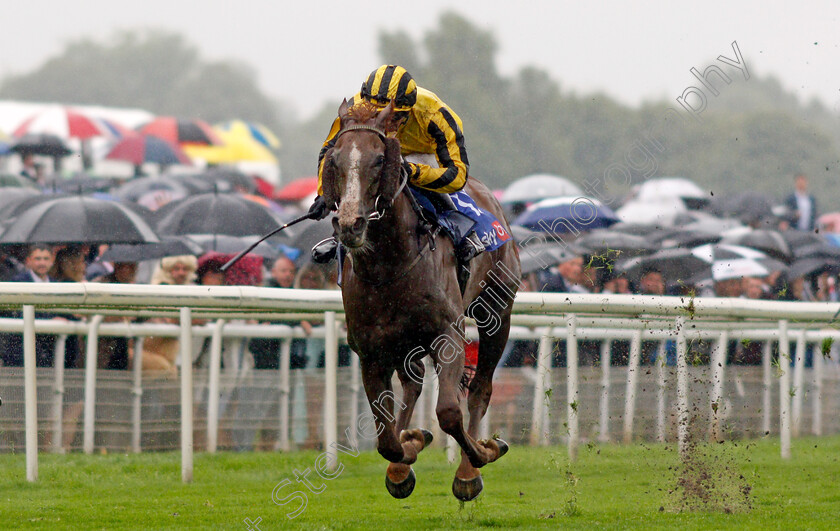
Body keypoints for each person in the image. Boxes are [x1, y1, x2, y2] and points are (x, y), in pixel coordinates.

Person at [309, 64, 482, 265]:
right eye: (376, 115)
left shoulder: (436, 115)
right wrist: (324, 193)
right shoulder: (356, 108)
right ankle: (340, 234)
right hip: (376, 153)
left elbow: (457, 175)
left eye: (394, 116)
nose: (385, 123)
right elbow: (330, 151)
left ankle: (462, 231)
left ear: (409, 109)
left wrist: (412, 171)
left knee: (413, 165)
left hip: (423, 156)